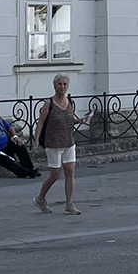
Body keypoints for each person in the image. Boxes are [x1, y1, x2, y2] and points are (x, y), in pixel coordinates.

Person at [34, 73, 87, 214]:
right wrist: (36, 140)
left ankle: (69, 204)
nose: (62, 87)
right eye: (60, 84)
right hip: (53, 144)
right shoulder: (49, 104)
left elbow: (69, 119)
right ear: (54, 86)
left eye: (65, 84)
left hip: (69, 142)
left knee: (70, 172)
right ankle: (40, 198)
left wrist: (79, 120)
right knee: (55, 175)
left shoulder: (69, 102)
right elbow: (40, 123)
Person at [0, 102, 39, 178]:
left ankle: (29, 168)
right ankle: (24, 173)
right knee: (7, 160)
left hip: (6, 144)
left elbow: (10, 128)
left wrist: (15, 137)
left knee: (20, 146)